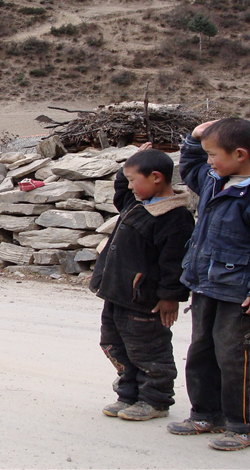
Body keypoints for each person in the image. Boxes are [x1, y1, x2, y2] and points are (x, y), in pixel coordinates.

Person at [167, 118, 250, 451]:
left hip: (241, 293)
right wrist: (193, 140)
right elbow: (192, 166)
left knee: (240, 359)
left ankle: (246, 426)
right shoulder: (214, 180)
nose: (208, 162)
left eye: (213, 155)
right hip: (206, 284)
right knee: (202, 352)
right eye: (206, 155)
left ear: (240, 154)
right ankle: (206, 413)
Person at [89, 145, 195, 422]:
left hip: (144, 300)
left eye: (134, 179)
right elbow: (122, 191)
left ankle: (155, 400)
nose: (130, 186)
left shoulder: (175, 216)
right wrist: (130, 162)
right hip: (116, 293)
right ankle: (128, 394)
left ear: (156, 177)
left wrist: (171, 296)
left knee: (148, 350)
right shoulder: (135, 203)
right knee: (114, 344)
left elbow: (174, 263)